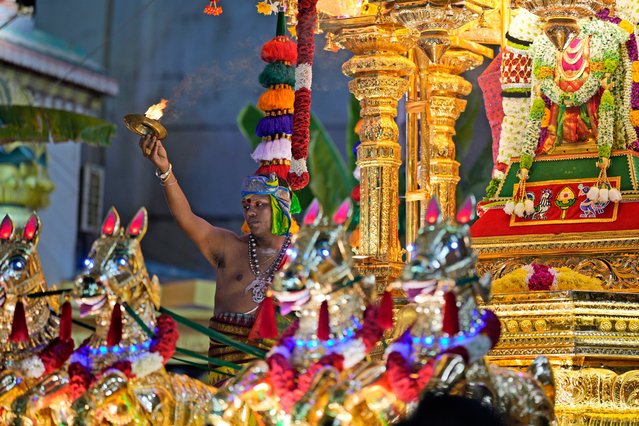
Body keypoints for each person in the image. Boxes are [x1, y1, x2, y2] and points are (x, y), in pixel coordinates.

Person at [138, 133, 296, 383]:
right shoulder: (228, 248)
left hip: (275, 388)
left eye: (259, 205)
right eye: (246, 205)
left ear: (279, 207)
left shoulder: (299, 260)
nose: (250, 212)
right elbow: (187, 219)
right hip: (222, 384)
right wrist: (165, 171)